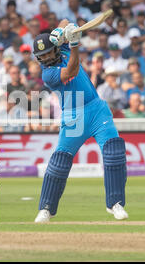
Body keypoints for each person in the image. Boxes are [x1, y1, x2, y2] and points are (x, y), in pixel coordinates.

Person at [33, 20, 128, 223]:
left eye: (48, 53)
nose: (46, 58)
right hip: (73, 115)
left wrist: (60, 31)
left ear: (54, 48)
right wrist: (74, 44)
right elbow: (72, 71)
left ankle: (115, 203)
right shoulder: (48, 74)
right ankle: (46, 208)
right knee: (60, 162)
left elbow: (67, 22)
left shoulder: (62, 46)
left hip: (96, 109)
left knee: (114, 150)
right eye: (41, 57)